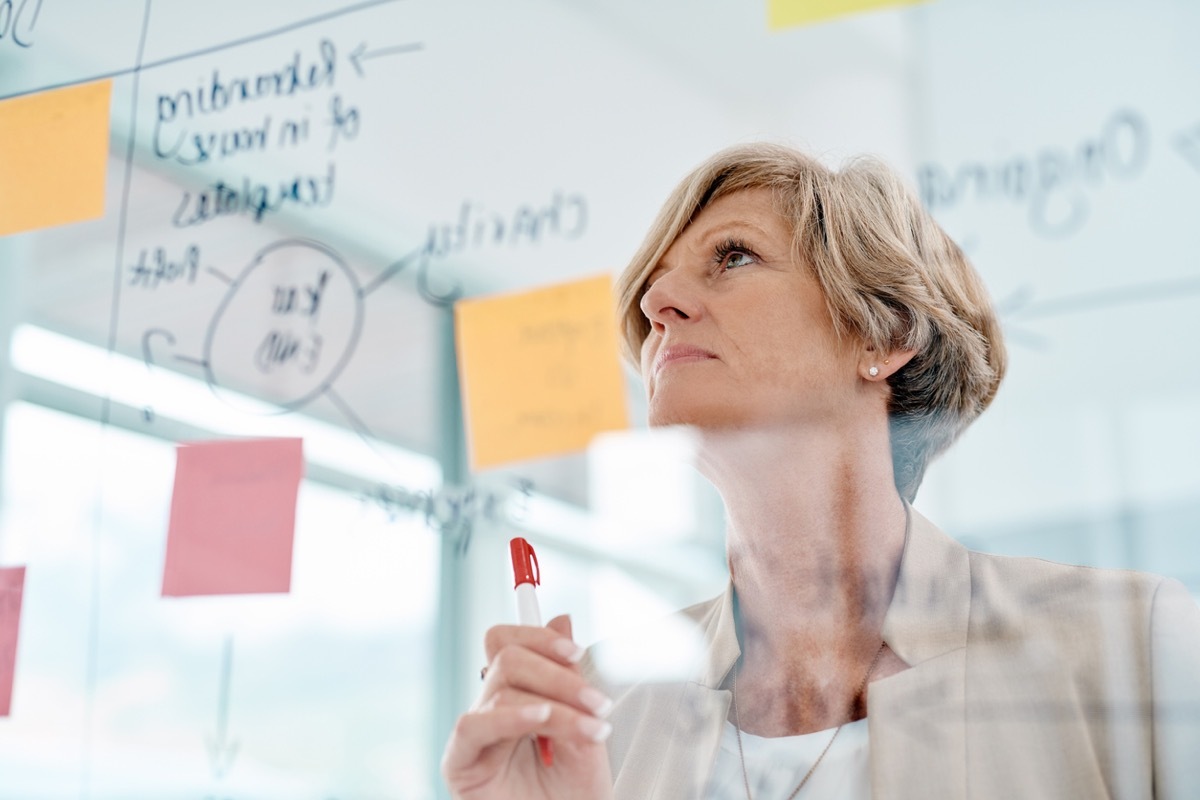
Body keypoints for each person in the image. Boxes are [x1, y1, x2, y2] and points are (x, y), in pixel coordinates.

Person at [441, 143, 1200, 799]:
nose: (657, 301)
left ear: (886, 330)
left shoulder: (1131, 647)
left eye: (732, 257)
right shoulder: (596, 710)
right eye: (655, 287)